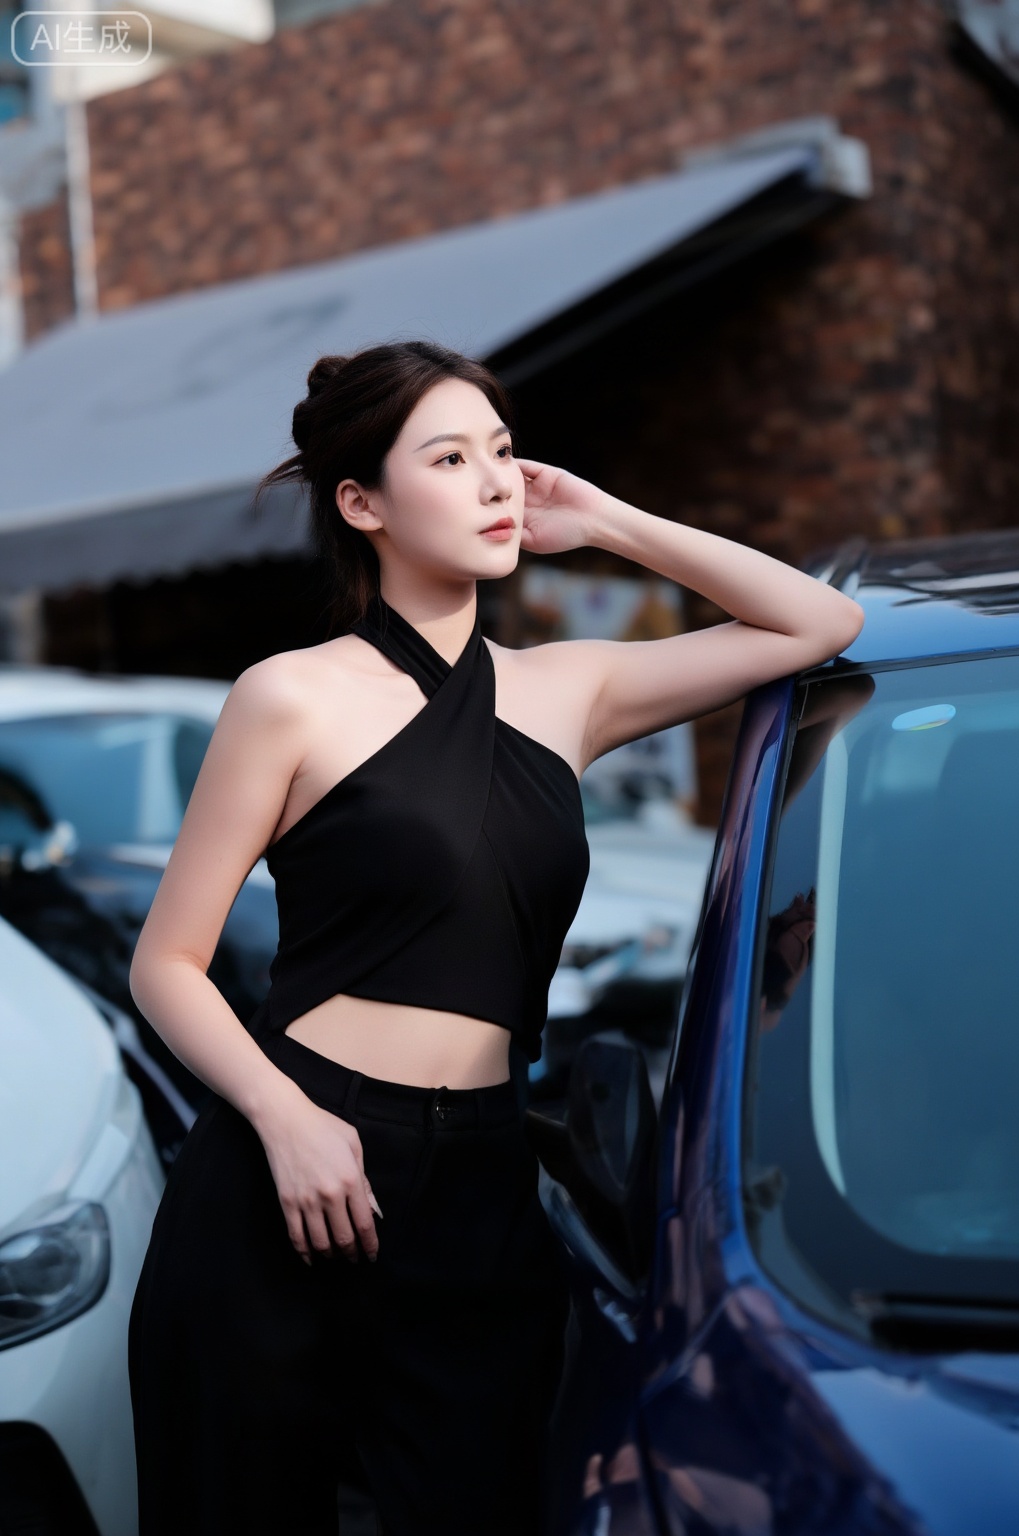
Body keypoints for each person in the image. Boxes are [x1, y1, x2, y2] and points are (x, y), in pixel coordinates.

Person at [127, 339, 864, 1536]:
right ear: (360, 503)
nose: (494, 484)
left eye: (504, 454)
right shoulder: (289, 695)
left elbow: (816, 621)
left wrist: (611, 520)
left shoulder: (565, 689)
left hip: (479, 1183)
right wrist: (285, 1119)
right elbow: (165, 962)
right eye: (451, 457)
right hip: (289, 1171)